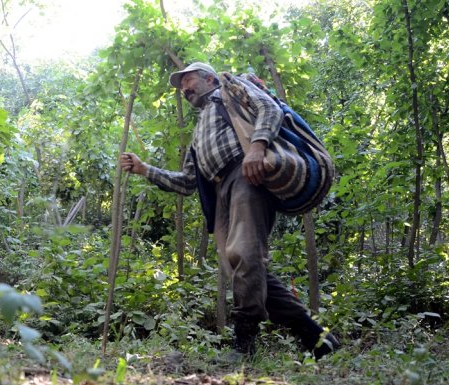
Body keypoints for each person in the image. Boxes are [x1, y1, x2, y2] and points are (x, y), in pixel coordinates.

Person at [120, 62, 339, 360]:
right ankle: (316, 337)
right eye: (181, 86)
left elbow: (269, 110)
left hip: (246, 175)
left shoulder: (231, 91)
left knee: (246, 255)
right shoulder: (199, 131)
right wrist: (145, 169)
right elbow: (186, 183)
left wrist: (257, 147)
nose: (184, 89)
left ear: (209, 78)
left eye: (188, 81)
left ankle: (244, 344)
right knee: (242, 269)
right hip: (220, 194)